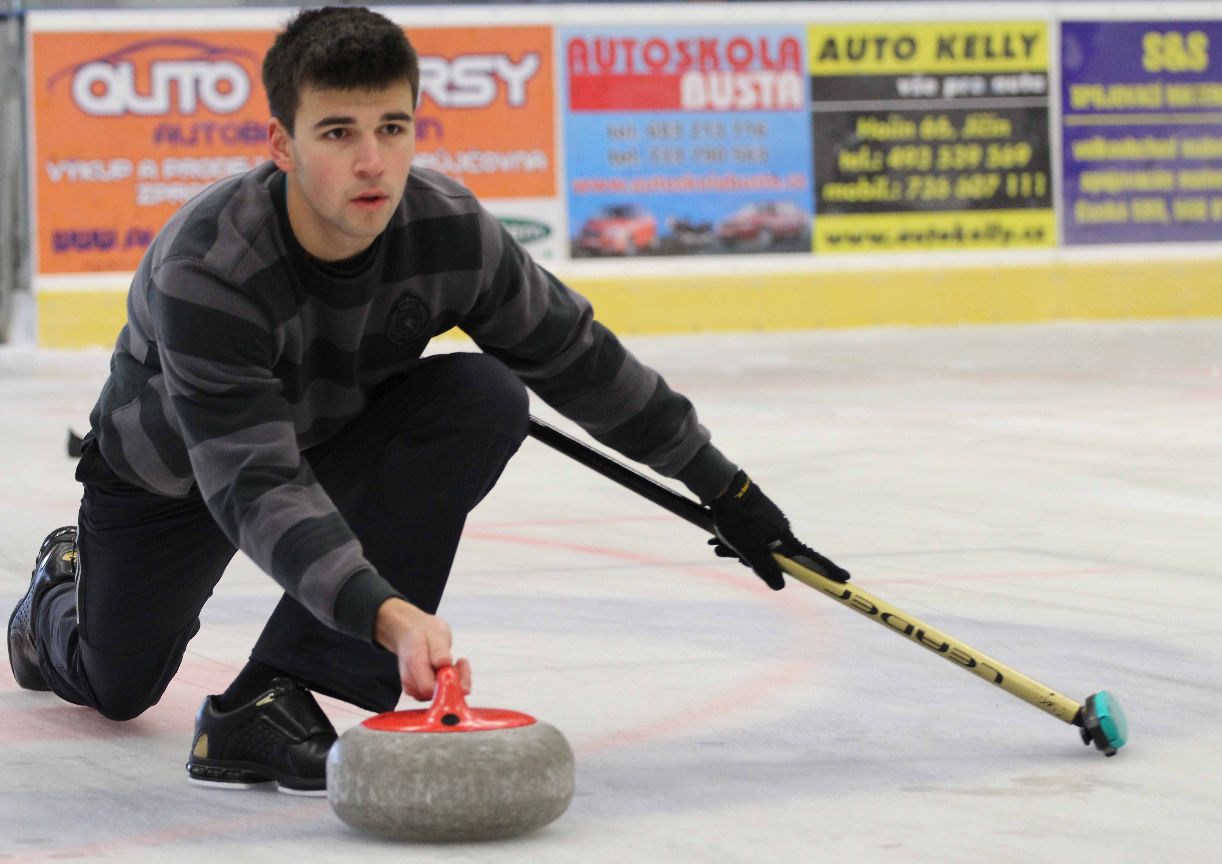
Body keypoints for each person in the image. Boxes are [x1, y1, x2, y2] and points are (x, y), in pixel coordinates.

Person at [7, 6, 848, 796]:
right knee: (116, 687)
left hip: (326, 439)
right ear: (282, 144)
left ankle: (275, 693)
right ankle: (57, 592)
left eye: (392, 128)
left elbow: (579, 359)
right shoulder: (212, 266)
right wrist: (385, 613)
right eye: (338, 132)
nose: (372, 162)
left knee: (483, 395)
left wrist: (723, 486)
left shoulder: (446, 229)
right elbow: (252, 481)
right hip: (176, 478)